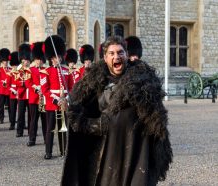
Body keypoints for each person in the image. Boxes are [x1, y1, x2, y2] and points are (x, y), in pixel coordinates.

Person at [61, 36, 172, 185]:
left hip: (134, 151)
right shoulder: (94, 83)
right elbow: (85, 110)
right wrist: (71, 110)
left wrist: (87, 122)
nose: (116, 56)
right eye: (112, 54)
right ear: (105, 58)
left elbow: (119, 120)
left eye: (120, 52)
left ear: (126, 55)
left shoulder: (141, 84)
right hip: (107, 152)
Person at [40, 35, 74, 159]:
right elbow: (45, 89)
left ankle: (63, 150)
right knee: (50, 129)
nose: (57, 59)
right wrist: (56, 99)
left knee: (63, 128)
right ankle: (48, 152)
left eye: (58, 57)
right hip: (52, 104)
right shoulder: (46, 71)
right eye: (54, 57)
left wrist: (66, 99)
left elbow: (71, 87)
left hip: (64, 103)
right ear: (51, 58)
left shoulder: (67, 71)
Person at [25, 42, 47, 146]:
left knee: (45, 120)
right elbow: (28, 83)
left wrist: (43, 89)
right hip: (34, 99)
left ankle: (46, 139)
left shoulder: (45, 70)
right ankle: (32, 139)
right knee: (33, 120)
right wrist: (36, 88)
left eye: (40, 59)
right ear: (34, 59)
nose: (39, 61)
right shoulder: (30, 70)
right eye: (37, 59)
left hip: (43, 98)